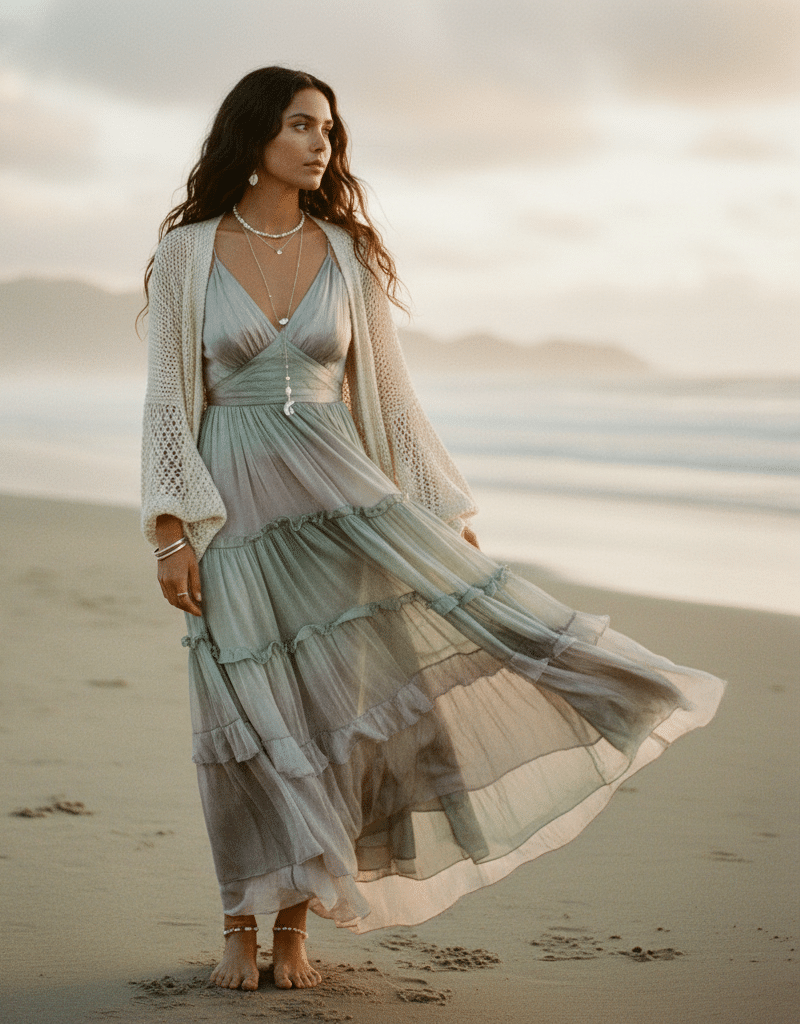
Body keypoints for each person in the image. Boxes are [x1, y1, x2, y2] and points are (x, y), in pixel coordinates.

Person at [140, 66, 724, 992]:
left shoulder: (346, 253)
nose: (321, 142)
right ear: (254, 137)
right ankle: (235, 923)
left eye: (328, 128)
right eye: (299, 125)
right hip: (240, 516)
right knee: (244, 718)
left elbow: (394, 402)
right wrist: (169, 530)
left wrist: (443, 514)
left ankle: (295, 930)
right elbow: (170, 397)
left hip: (344, 509)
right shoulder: (190, 254)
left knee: (333, 723)